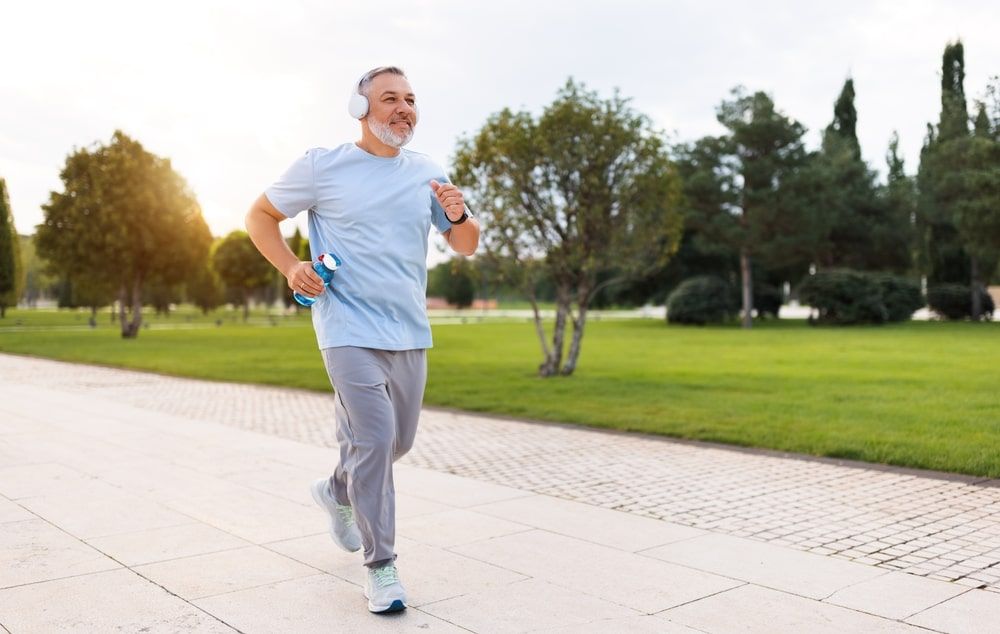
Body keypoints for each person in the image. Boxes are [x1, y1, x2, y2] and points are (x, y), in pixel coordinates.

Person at [244, 66, 480, 613]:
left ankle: (337, 490)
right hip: (346, 327)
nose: (404, 109)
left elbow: (465, 243)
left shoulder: (428, 174)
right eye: (391, 99)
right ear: (361, 109)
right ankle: (382, 568)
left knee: (397, 444)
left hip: (409, 329)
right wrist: (289, 266)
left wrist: (458, 212)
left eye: (412, 100)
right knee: (374, 441)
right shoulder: (322, 166)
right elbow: (259, 216)